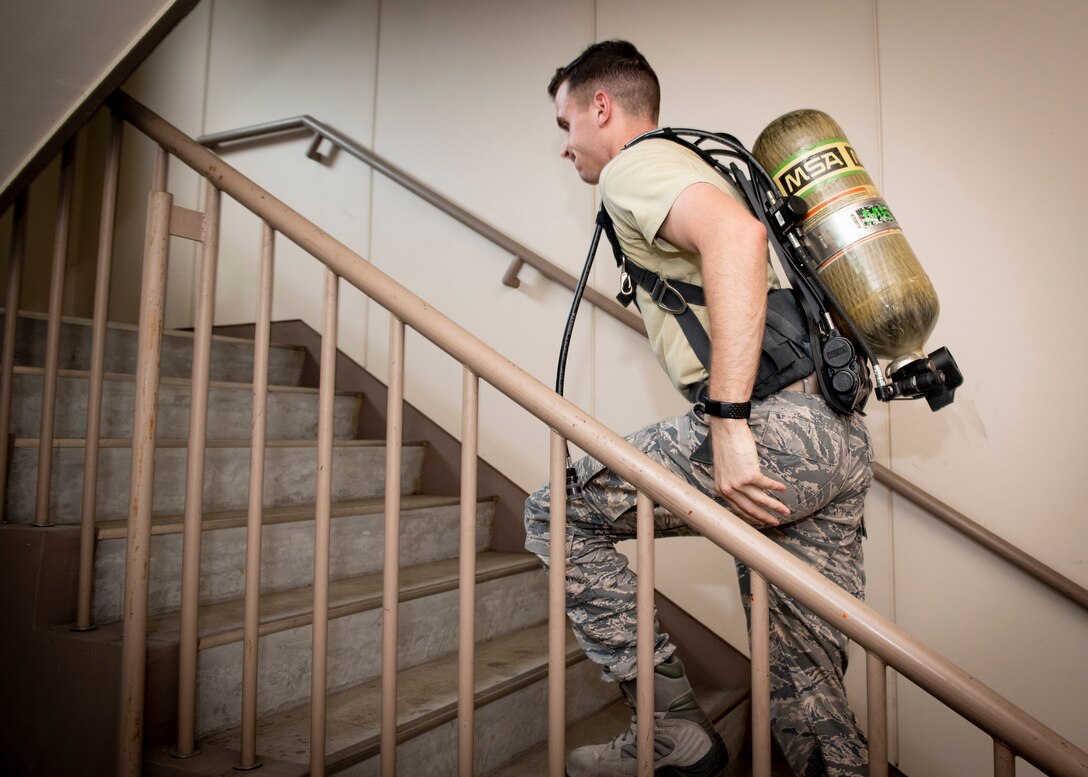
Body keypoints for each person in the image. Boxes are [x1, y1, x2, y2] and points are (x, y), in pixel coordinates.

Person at [523, 40, 874, 777]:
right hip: (836, 435)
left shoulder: (635, 166)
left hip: (772, 427)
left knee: (556, 512)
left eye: (565, 125)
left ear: (601, 106)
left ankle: (668, 726)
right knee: (805, 682)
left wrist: (728, 422)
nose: (566, 148)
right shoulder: (702, 166)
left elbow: (736, 240)